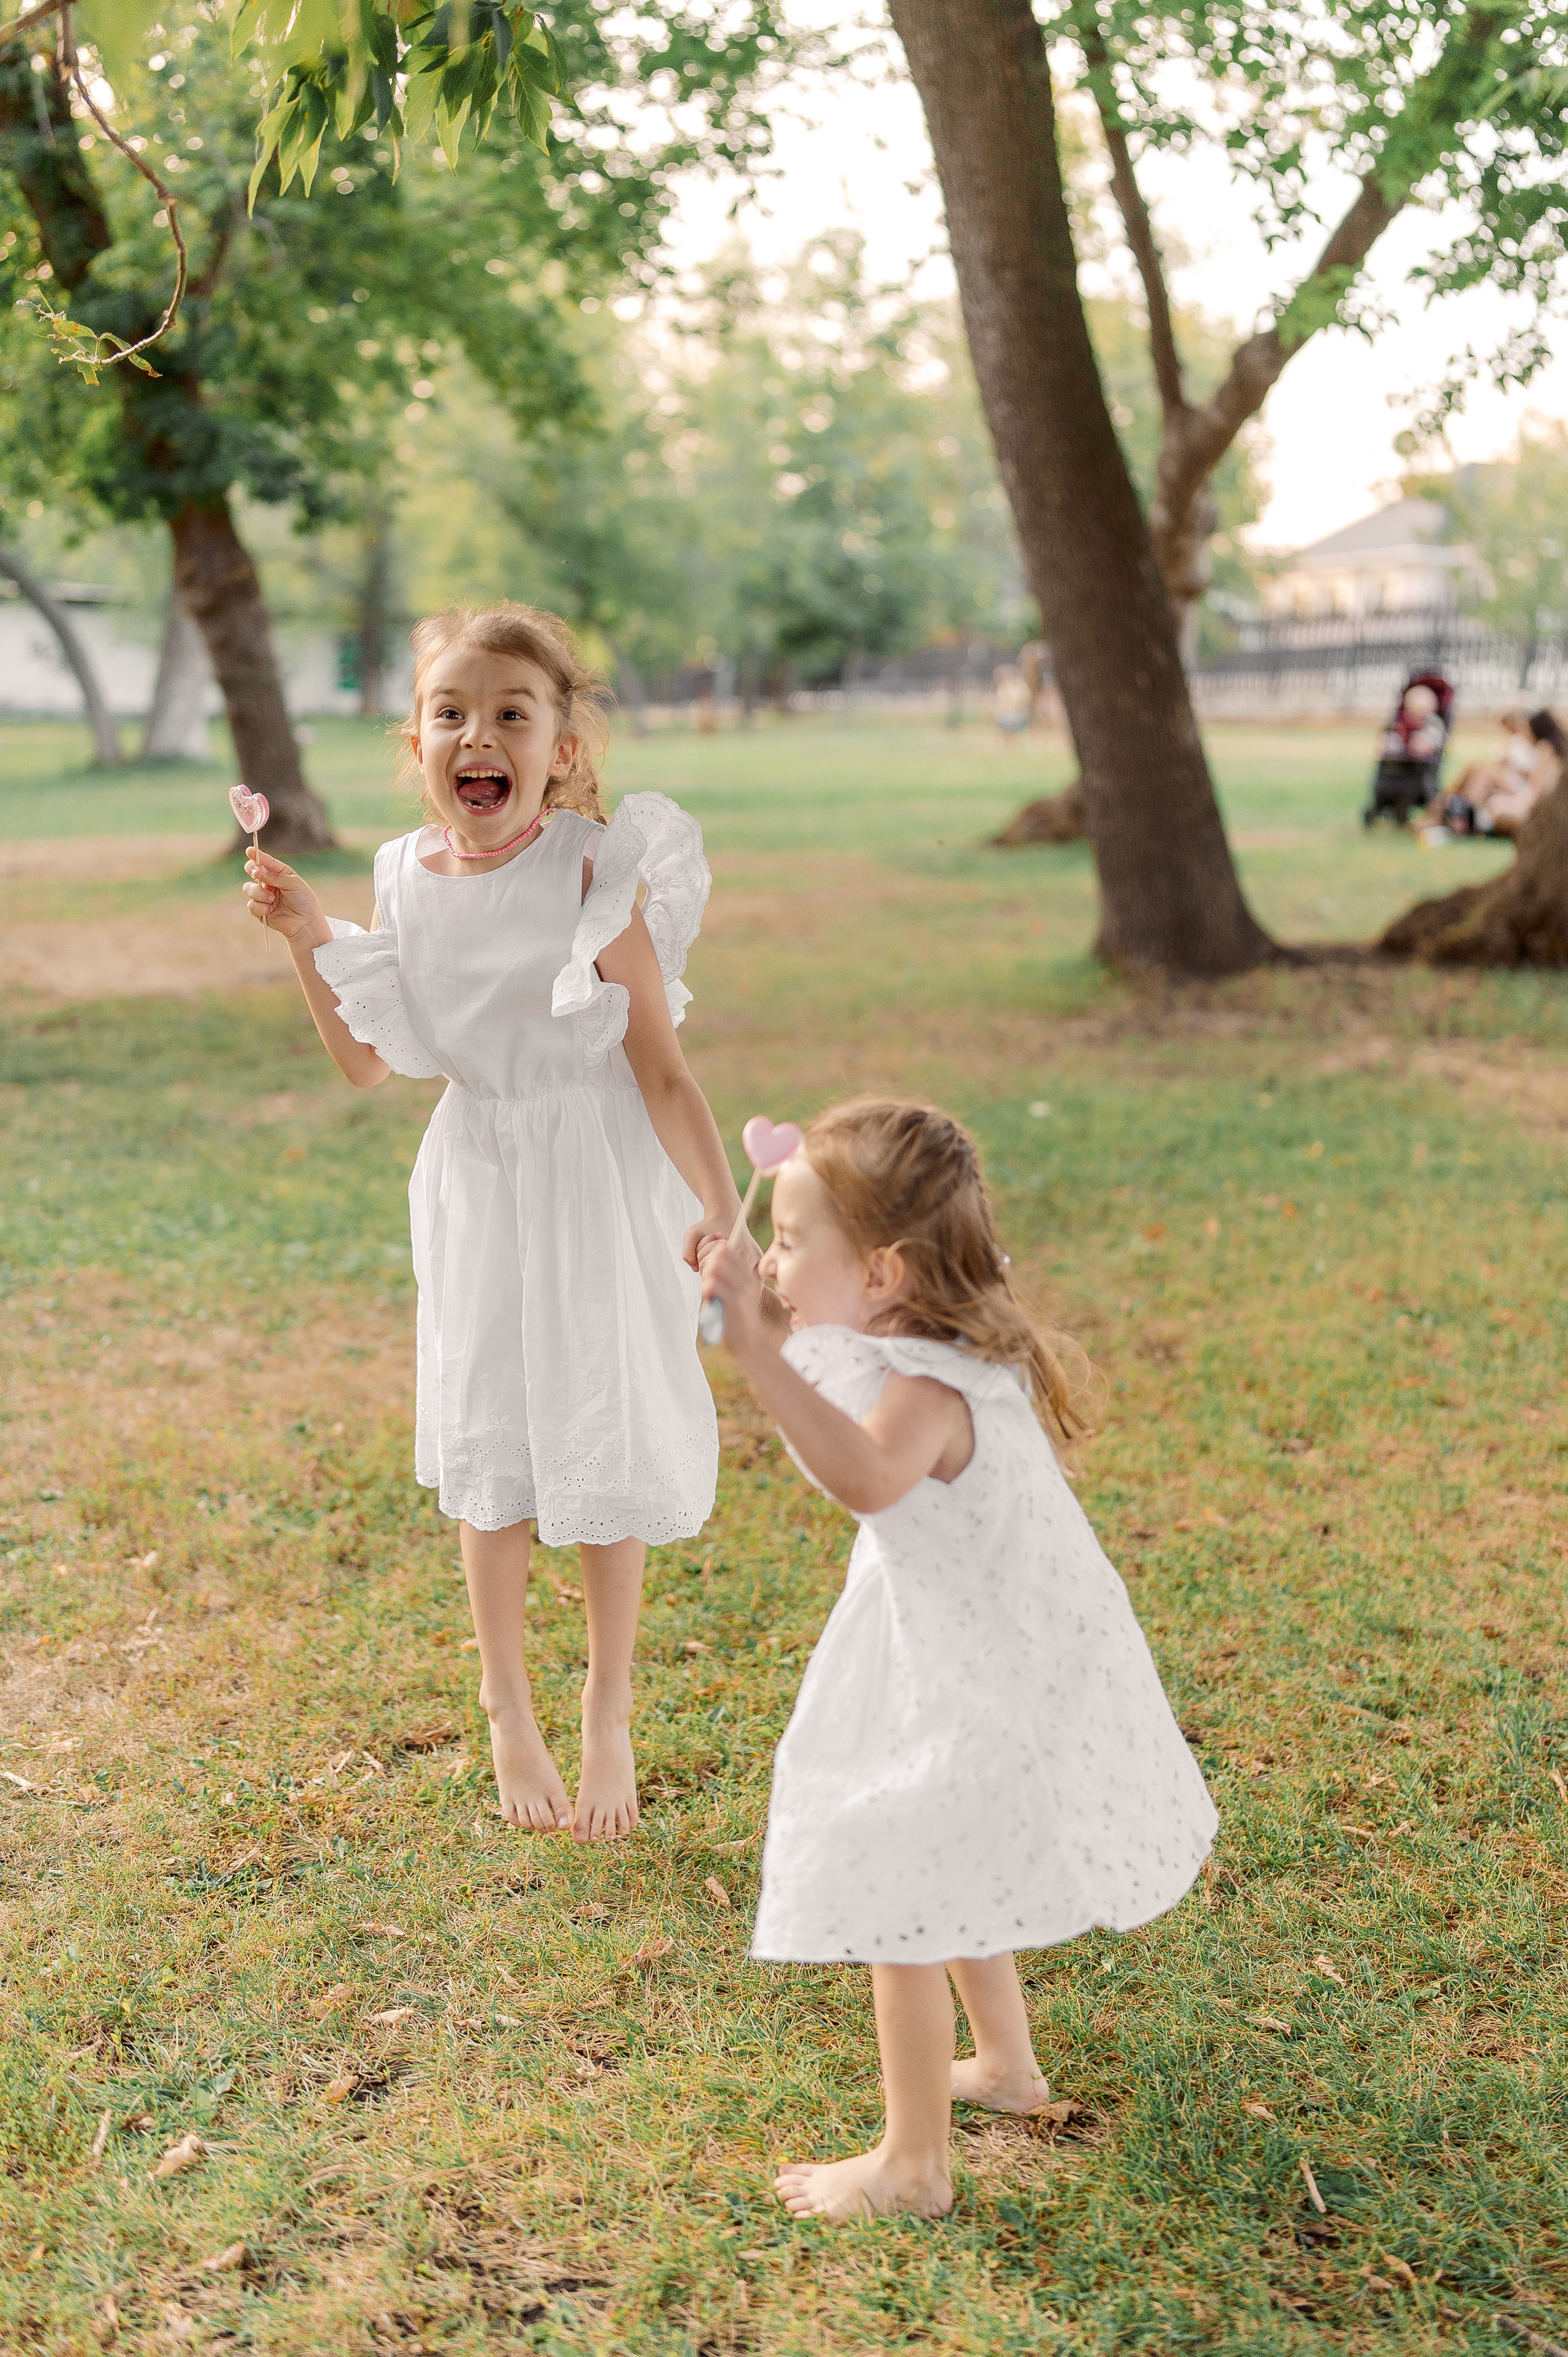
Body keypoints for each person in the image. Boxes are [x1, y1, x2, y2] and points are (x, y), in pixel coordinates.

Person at [242, 602, 742, 1843]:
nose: (481, 733)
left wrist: (723, 1208)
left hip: (594, 1166)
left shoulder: (589, 870)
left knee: (600, 1419)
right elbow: (370, 1067)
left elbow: (664, 1071)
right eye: (452, 711)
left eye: (512, 713)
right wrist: (310, 937)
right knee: (492, 1431)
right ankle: (504, 1695)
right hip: (479, 1174)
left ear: (563, 745)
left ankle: (606, 1701)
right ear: (415, 742)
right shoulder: (401, 879)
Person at [699, 1098, 1216, 2222]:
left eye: (792, 1242)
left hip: (986, 1663)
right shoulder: (918, 1339)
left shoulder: (931, 1389)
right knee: (951, 1852)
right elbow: (830, 1379)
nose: (776, 1259)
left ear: (882, 1272)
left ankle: (913, 2166)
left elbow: (866, 1478)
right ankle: (1010, 2069)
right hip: (987, 1639)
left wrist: (751, 1348)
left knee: (904, 1888)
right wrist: (762, 1306)